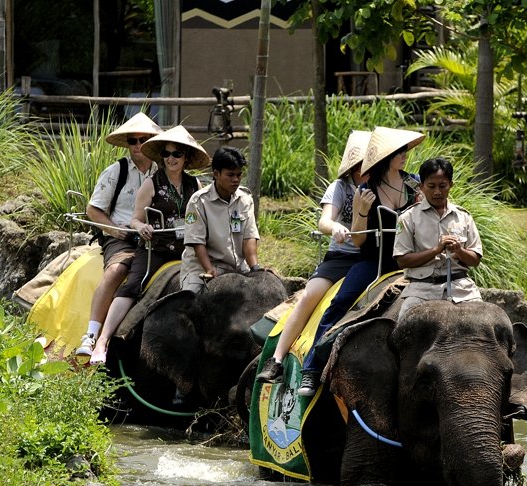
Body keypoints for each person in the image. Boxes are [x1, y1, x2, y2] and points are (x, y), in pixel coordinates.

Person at [296, 126, 425, 396]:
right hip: (374, 261)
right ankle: (311, 367)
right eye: (399, 151)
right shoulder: (365, 190)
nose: (404, 155)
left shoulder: (415, 184)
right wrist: (363, 211)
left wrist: (424, 205)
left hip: (410, 260)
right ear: (385, 156)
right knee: (341, 302)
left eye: (405, 150)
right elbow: (357, 240)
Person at [256, 130, 372, 383]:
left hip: (374, 256)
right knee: (310, 295)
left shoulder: (385, 185)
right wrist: (335, 228)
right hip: (341, 256)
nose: (368, 167)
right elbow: (324, 220)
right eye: (363, 162)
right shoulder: (340, 187)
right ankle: (276, 359)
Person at [89, 125, 210, 364]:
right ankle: (102, 341)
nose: (171, 158)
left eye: (177, 154)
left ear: (186, 157)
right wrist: (140, 227)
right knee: (133, 284)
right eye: (166, 154)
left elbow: (203, 217)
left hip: (186, 249)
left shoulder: (195, 186)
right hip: (156, 248)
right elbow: (135, 218)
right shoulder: (151, 183)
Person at [75, 112, 163, 359]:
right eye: (133, 140)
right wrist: (115, 230)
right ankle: (91, 335)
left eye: (143, 140)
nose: (137, 146)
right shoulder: (117, 170)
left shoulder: (163, 171)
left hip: (158, 238)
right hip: (122, 237)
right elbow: (92, 209)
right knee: (116, 271)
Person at [393, 157, 483, 320]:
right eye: (431, 186)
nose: (437, 192)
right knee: (404, 330)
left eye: (442, 186)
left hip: (462, 290)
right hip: (421, 290)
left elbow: (475, 260)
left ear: (451, 185)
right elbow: (402, 260)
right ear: (421, 187)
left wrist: (459, 250)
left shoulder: (464, 217)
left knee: (485, 325)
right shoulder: (408, 218)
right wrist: (436, 250)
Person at [180, 147, 261, 293]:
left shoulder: (245, 199)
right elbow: (197, 242)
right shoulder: (199, 201)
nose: (236, 180)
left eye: (238, 175)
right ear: (216, 174)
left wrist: (255, 268)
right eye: (230, 175)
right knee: (190, 300)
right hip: (203, 267)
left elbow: (249, 237)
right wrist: (209, 270)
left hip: (238, 268)